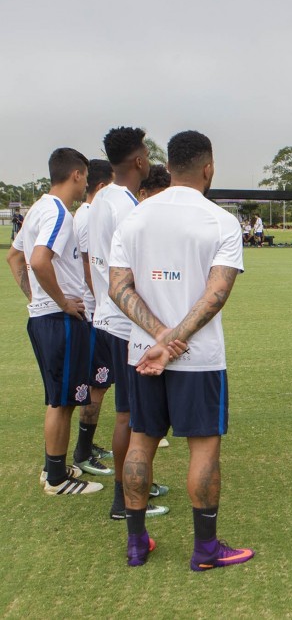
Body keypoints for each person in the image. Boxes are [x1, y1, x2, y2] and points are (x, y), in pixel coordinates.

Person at [109, 130, 253, 570]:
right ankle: (206, 550)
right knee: (203, 447)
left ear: (167, 167)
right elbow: (216, 294)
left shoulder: (135, 217)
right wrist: (174, 343)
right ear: (208, 168)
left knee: (141, 441)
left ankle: (136, 543)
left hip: (143, 354)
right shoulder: (220, 221)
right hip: (200, 358)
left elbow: (118, 287)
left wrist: (157, 339)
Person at [6, 147, 103, 496]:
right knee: (61, 402)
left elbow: (14, 258)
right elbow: (37, 260)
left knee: (60, 398)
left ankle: (55, 467)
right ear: (76, 174)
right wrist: (59, 302)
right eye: (86, 177)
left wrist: (36, 300)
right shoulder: (58, 213)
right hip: (60, 320)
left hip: (44, 318)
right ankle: (58, 481)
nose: (86, 184)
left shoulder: (37, 209)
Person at [89, 126, 169, 520]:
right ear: (139, 161)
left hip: (106, 315)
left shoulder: (101, 198)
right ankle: (125, 499)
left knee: (128, 413)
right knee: (129, 415)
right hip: (125, 324)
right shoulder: (128, 208)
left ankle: (133, 488)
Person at [71, 159, 116, 477]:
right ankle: (83, 452)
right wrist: (101, 302)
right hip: (95, 313)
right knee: (97, 384)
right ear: (102, 187)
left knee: (100, 382)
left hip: (96, 311)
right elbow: (89, 267)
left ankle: (89, 445)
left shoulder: (88, 214)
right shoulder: (88, 216)